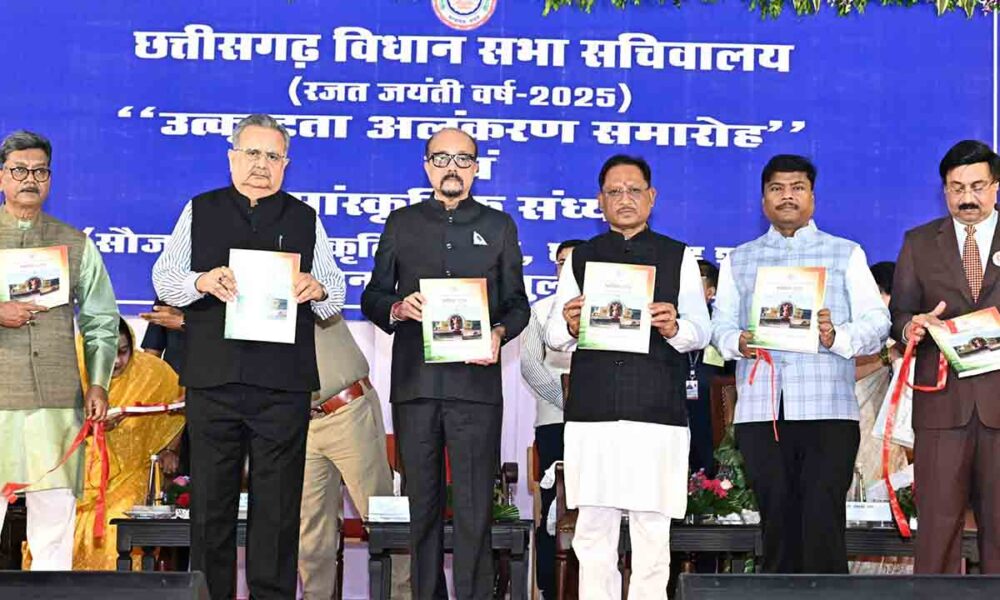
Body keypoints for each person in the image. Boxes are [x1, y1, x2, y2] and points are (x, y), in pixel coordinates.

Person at [152, 114, 345, 599]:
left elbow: (336, 293)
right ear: (232, 157)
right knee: (210, 508)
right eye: (252, 153)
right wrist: (200, 281)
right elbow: (164, 279)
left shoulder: (305, 217)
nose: (262, 164)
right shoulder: (201, 209)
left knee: (277, 510)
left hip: (282, 385)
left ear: (286, 164)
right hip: (214, 380)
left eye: (273, 156)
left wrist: (318, 288)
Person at [361, 127, 529, 599]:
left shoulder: (499, 226)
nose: (451, 168)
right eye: (441, 158)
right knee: (423, 510)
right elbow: (373, 295)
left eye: (463, 159)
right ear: (426, 166)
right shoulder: (401, 223)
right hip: (415, 386)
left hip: (475, 389)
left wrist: (499, 332)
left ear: (476, 168)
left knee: (476, 511)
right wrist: (398, 307)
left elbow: (518, 304)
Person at [711, 154, 890, 574]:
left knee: (823, 522)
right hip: (761, 411)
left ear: (812, 196)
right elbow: (719, 326)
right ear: (763, 200)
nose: (787, 196)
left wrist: (835, 336)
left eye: (797, 188)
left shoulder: (845, 253)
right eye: (777, 188)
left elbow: (878, 322)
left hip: (828, 410)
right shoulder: (739, 259)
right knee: (775, 524)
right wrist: (738, 340)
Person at [546, 154, 711, 599]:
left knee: (652, 534)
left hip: (656, 412)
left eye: (634, 190)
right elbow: (553, 336)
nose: (624, 199)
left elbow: (701, 331)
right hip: (593, 412)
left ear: (651, 197)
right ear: (600, 201)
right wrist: (570, 324)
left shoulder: (678, 256)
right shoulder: (582, 257)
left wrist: (675, 327)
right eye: (614, 191)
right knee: (593, 533)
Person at [0, 130, 117, 570]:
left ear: (50, 179)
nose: (30, 179)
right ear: (1, 177)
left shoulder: (75, 243)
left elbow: (101, 320)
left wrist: (99, 383)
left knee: (53, 530)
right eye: (19, 170)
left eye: (40, 171)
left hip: (56, 402)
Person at [889, 139, 1000, 574]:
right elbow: (899, 314)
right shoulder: (919, 242)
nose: (967, 197)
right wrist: (910, 327)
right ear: (944, 191)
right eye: (957, 188)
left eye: (977, 186)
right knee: (936, 531)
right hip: (941, 405)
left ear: (995, 186)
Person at [298, 314, 398, 599]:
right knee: (310, 528)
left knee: (380, 515)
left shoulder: (309, 285)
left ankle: (400, 594)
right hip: (298, 422)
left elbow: (328, 298)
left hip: (347, 408)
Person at [72, 319, 185, 570]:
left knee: (117, 524)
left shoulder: (152, 374)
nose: (116, 362)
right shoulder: (71, 373)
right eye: (106, 354)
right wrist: (91, 428)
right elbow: (52, 432)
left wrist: (169, 450)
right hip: (77, 478)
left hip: (133, 475)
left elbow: (178, 410)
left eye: (123, 352)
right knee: (62, 533)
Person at [519, 238, 583, 599]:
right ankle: (549, 588)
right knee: (554, 510)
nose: (566, 268)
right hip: (555, 420)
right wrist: (569, 401)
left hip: (602, 424)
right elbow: (531, 365)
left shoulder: (610, 308)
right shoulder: (541, 311)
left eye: (574, 262)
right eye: (561, 262)